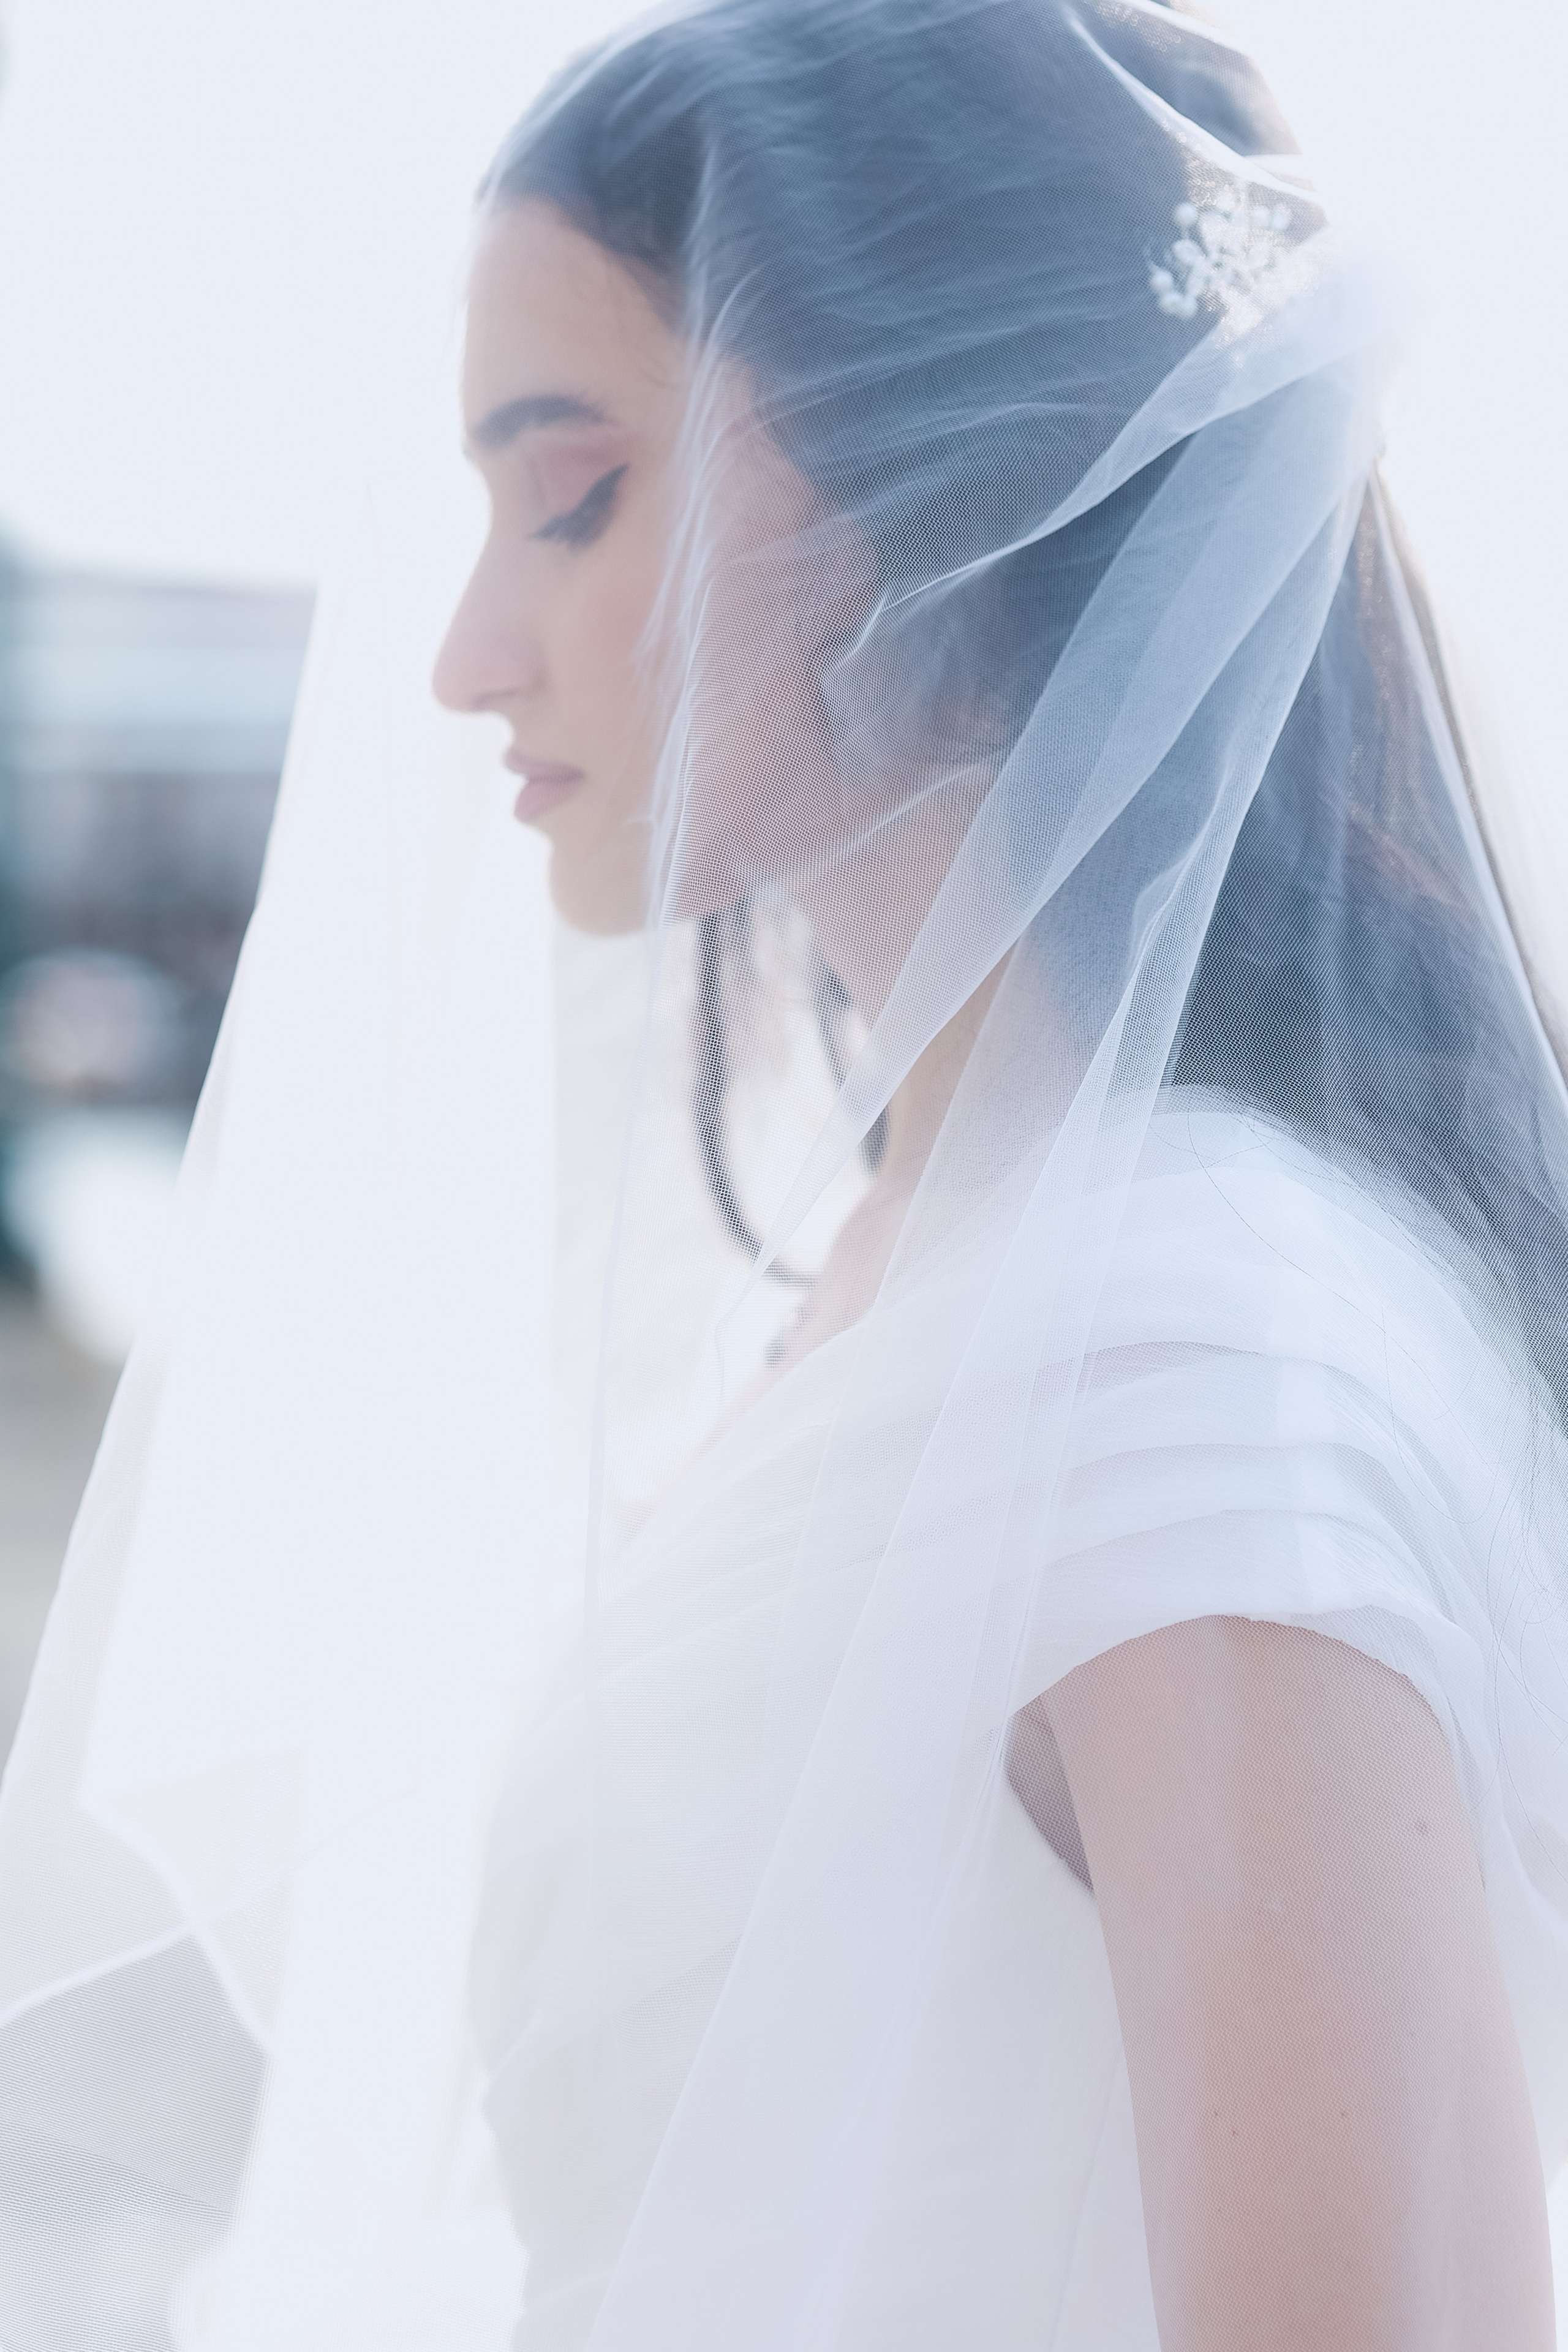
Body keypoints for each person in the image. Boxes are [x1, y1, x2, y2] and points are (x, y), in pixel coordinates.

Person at [0, 3, 1564, 2347]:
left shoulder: (1194, 1366)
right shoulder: (928, 1264)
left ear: (941, 466)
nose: (460, 655)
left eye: (574, 491)